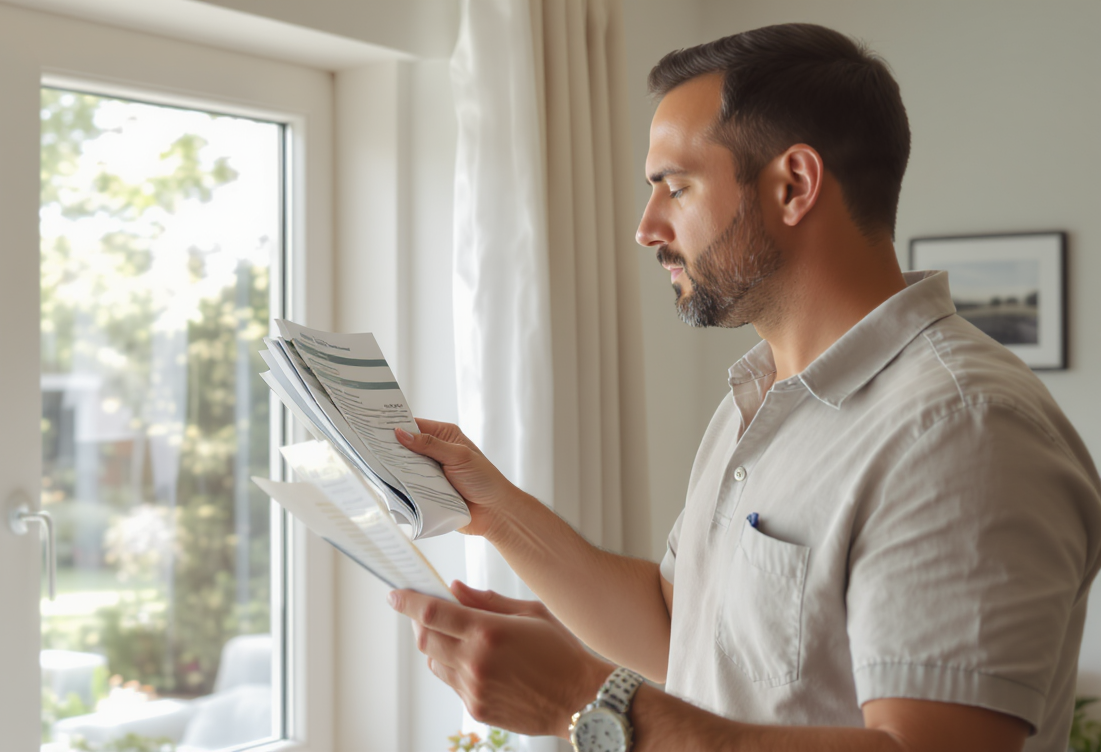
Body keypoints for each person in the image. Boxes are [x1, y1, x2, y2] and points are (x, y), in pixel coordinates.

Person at [389, 22, 1101, 752]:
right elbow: (681, 628)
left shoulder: (963, 429)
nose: (646, 227)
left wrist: (583, 700)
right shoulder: (759, 399)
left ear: (793, 185)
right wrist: (497, 511)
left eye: (675, 186)